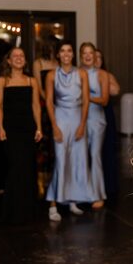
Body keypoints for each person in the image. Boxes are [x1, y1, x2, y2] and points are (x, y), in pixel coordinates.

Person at [0, 48, 43, 224]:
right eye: (15, 56)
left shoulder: (31, 81)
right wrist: (0, 128)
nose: (19, 58)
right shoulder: (2, 81)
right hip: (11, 130)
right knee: (15, 168)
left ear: (25, 60)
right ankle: (12, 212)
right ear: (8, 61)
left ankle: (27, 213)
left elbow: (36, 106)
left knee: (28, 168)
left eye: (21, 55)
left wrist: (39, 128)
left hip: (28, 129)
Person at [44, 42, 91, 221]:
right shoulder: (51, 75)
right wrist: (54, 126)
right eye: (62, 51)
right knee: (60, 161)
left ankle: (72, 201)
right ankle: (53, 204)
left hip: (77, 119)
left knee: (77, 162)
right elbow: (49, 102)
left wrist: (82, 125)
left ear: (73, 54)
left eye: (69, 51)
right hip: (60, 120)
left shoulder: (82, 73)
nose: (66, 54)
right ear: (58, 54)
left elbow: (86, 101)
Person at [79, 42, 109, 209]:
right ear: (80, 56)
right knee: (80, 156)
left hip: (96, 120)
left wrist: (85, 97)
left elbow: (104, 100)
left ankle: (98, 194)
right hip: (78, 121)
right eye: (85, 53)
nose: (88, 56)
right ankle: (81, 193)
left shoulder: (102, 74)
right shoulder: (75, 73)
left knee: (94, 155)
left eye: (90, 53)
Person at [94, 49, 122, 201]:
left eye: (99, 57)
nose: (97, 59)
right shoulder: (83, 74)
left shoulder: (107, 75)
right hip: (89, 113)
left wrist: (102, 82)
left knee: (107, 148)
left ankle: (108, 185)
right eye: (94, 56)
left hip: (105, 112)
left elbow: (116, 90)